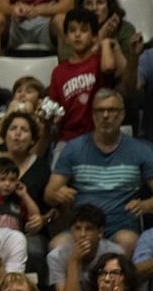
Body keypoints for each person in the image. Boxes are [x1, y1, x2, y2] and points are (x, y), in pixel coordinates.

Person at [47, 87, 153, 254]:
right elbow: (49, 194)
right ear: (93, 115)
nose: (105, 115)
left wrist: (146, 204)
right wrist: (58, 194)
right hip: (82, 228)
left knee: (127, 241)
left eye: (111, 110)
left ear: (122, 115)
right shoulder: (73, 148)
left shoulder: (141, 150)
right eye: (100, 110)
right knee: (57, 245)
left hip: (121, 227)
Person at [49, 7, 121, 143]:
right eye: (72, 30)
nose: (77, 34)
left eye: (83, 30)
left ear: (94, 37)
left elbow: (109, 67)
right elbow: (55, 109)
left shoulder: (98, 61)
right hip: (67, 138)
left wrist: (104, 43)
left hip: (97, 137)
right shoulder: (59, 71)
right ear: (66, 38)